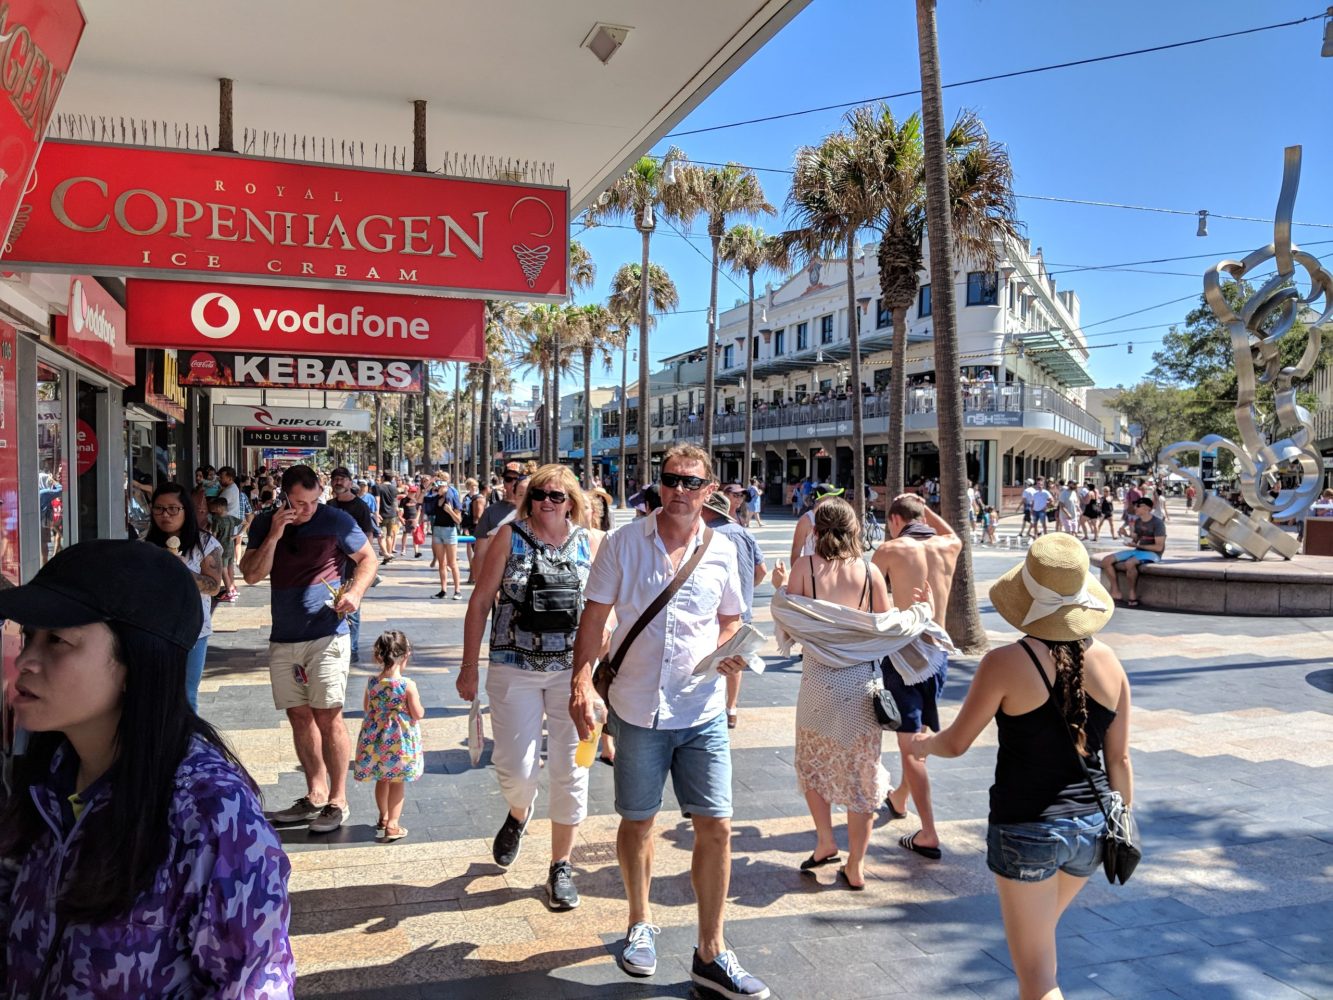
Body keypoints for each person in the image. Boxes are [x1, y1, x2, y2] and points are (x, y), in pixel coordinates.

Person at [0, 540, 294, 996]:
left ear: (135, 661)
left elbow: (253, 982)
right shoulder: (45, 780)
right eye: (28, 637)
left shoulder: (212, 813)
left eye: (57, 640)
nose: (26, 662)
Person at [569, 444, 769, 999]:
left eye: (691, 483)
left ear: (711, 490)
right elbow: (594, 621)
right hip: (635, 709)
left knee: (717, 826)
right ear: (658, 485)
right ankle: (639, 921)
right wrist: (580, 682)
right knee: (638, 821)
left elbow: (730, 619)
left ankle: (711, 951)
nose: (680, 491)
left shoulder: (725, 550)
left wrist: (730, 648)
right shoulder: (621, 543)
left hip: (701, 709)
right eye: (671, 481)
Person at [910, 533, 1132, 1000]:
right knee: (1037, 948)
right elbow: (1120, 761)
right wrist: (1118, 826)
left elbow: (957, 743)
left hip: (1026, 831)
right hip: (1091, 832)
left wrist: (924, 746)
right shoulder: (1111, 663)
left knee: (1038, 979)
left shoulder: (1006, 662)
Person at [460, 463, 603, 911]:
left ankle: (561, 865)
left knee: (571, 769)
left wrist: (596, 675)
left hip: (572, 674)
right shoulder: (509, 535)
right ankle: (519, 813)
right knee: (515, 768)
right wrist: (469, 666)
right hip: (512, 665)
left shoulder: (591, 543)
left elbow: (606, 612)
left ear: (572, 501)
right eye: (540, 493)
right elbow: (481, 600)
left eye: (557, 495)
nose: (547, 501)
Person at [240, 465, 377, 834]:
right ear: (284, 496)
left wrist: (355, 592)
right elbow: (251, 574)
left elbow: (368, 559)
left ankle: (337, 799)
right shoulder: (266, 523)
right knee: (299, 716)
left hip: (327, 632)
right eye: (297, 503)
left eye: (312, 501)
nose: (306, 509)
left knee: (328, 714)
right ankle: (314, 794)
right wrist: (274, 534)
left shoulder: (336, 519)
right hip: (284, 635)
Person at [777, 498, 893, 889]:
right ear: (854, 528)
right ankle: (856, 864)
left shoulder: (804, 568)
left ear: (815, 529)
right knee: (862, 772)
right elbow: (883, 627)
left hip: (817, 682)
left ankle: (825, 840)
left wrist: (782, 590)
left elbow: (792, 628)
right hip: (860, 684)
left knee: (812, 760)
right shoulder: (870, 572)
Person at [871, 493, 962, 859]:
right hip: (938, 653)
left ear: (894, 520)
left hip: (904, 653)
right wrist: (925, 509)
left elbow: (870, 597)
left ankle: (928, 832)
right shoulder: (949, 545)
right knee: (919, 738)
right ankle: (899, 798)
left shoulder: (891, 549)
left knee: (911, 749)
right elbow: (950, 531)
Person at [145, 482, 224, 711]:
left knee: (187, 696)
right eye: (159, 509)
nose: (165, 515)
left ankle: (188, 744)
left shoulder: (206, 544)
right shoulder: (144, 545)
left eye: (173, 509)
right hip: (154, 629)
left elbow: (213, 587)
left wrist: (184, 572)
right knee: (155, 694)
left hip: (193, 630)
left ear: (185, 511)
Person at [702, 487, 767, 730]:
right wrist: (746, 590)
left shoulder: (706, 534)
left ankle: (711, 707)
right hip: (742, 608)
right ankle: (732, 708)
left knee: (708, 657)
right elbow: (762, 571)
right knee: (735, 659)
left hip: (713, 610)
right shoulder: (744, 533)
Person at [354, 630, 425, 843]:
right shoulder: (407, 685)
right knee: (397, 781)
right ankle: (393, 825)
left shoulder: (372, 683)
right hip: (399, 742)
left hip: (376, 740)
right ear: (405, 655)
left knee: (382, 778)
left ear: (378, 656)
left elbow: (367, 708)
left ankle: (383, 817)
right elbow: (417, 713)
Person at [327, 467, 381, 664]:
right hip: (332, 565)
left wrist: (365, 563)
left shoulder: (360, 507)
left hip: (352, 566)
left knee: (352, 607)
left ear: (350, 483)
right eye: (335, 479)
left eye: (342, 479)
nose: (338, 482)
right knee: (333, 605)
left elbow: (368, 535)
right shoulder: (329, 505)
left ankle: (352, 648)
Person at [1100, 496, 1165, 608]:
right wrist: (1125, 534)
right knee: (1106, 561)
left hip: (1153, 554)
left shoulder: (1157, 523)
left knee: (1129, 563)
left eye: (1138, 506)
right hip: (1138, 550)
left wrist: (1137, 545)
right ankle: (1116, 591)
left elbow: (1159, 547)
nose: (1135, 508)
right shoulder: (1138, 521)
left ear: (1146, 508)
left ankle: (1132, 593)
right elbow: (1135, 539)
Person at [472, 461, 524, 568]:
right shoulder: (490, 512)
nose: (513, 483)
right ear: (503, 482)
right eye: (509, 479)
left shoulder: (536, 510)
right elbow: (479, 554)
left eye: (517, 479)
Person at [428, 475, 464, 600]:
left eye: (441, 485)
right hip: (437, 530)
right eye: (438, 485)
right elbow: (422, 499)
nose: (439, 488)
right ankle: (443, 590)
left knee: (452, 563)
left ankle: (457, 590)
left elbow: (458, 520)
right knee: (441, 563)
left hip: (449, 530)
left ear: (447, 486)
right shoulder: (436, 498)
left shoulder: (453, 498)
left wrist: (450, 511)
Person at [790, 482, 844, 562]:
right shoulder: (806, 520)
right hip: (812, 572)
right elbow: (796, 552)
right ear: (822, 500)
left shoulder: (837, 516)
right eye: (833, 497)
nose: (836, 500)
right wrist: (798, 573)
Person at [207, 495, 243, 603]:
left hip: (221, 548)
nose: (215, 509)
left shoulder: (217, 520)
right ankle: (233, 589)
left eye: (216, 507)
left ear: (221, 508)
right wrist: (237, 535)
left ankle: (229, 593)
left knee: (223, 571)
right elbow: (245, 523)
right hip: (230, 546)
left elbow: (213, 535)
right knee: (230, 569)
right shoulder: (231, 518)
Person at [376, 473, 401, 562]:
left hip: (382, 514)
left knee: (381, 536)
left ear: (383, 478)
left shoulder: (379, 487)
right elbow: (395, 502)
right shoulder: (394, 488)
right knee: (389, 536)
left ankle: (386, 554)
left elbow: (377, 501)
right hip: (392, 514)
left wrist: (376, 513)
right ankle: (389, 554)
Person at [398, 485, 421, 558]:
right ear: (408, 492)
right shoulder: (404, 500)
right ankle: (403, 549)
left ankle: (416, 551)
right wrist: (401, 518)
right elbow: (400, 510)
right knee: (405, 534)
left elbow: (419, 510)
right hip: (406, 519)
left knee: (415, 535)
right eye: (411, 492)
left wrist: (417, 519)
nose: (413, 494)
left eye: (414, 492)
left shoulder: (416, 500)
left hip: (414, 519)